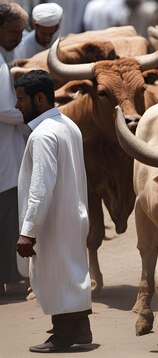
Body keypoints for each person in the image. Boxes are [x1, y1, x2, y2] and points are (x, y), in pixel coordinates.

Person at [15, 70, 92, 353]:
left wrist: (28, 232)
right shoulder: (68, 125)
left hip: (53, 219)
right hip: (71, 213)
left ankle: (62, 335)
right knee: (70, 272)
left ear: (39, 98)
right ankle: (81, 329)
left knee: (55, 274)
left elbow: (40, 188)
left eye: (21, 99)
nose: (17, 106)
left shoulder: (44, 135)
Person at [0, 2, 29, 296]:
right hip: (4, 154)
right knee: (8, 216)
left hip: (7, 148)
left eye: (21, 32)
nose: (18, 38)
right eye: (12, 32)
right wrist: (32, 116)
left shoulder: (5, 57)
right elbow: (3, 108)